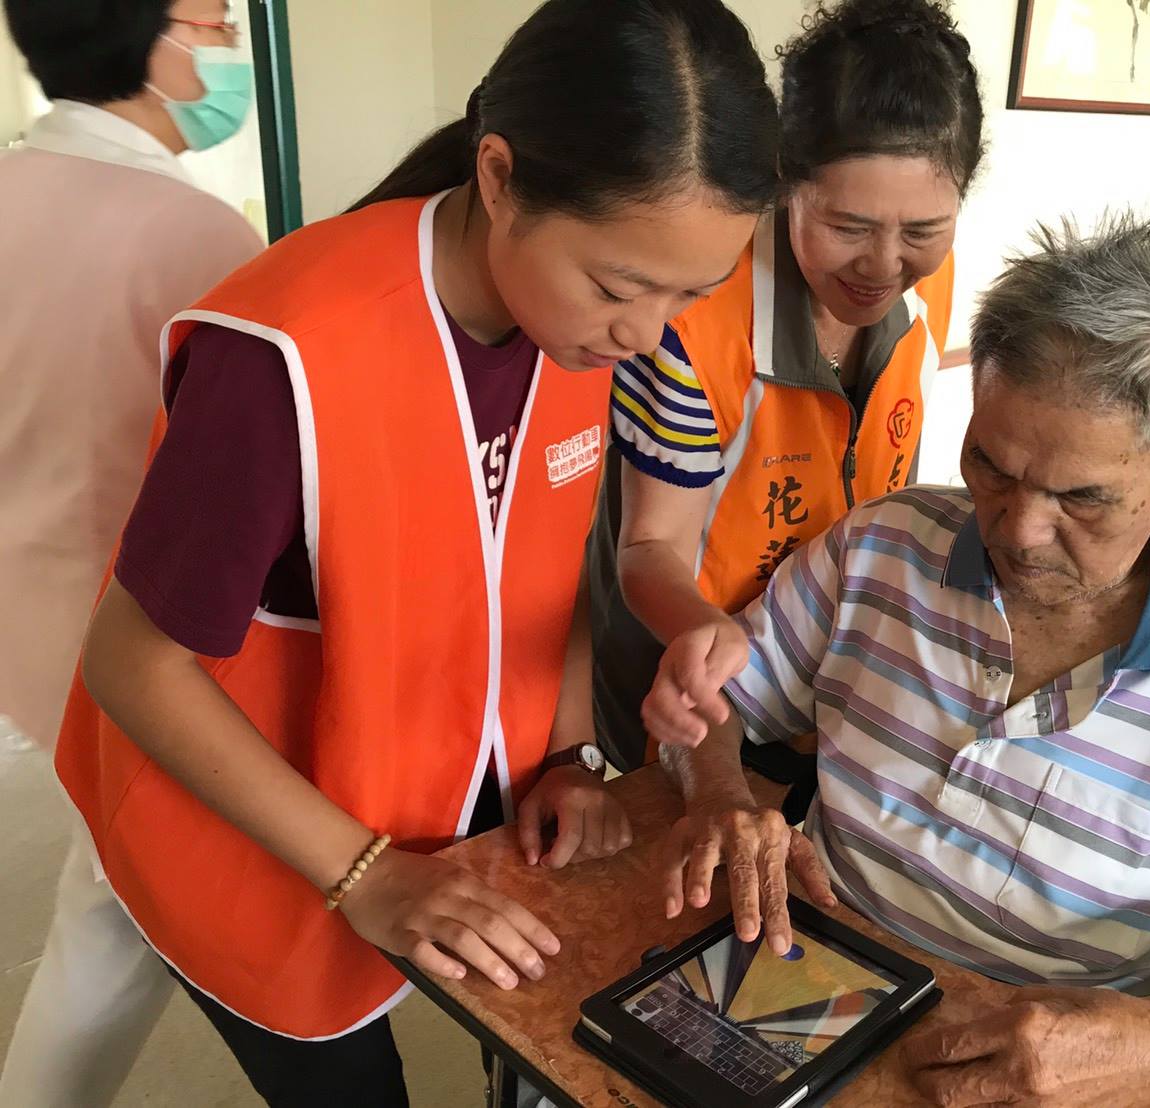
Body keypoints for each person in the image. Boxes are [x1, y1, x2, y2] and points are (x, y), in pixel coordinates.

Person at [41, 0, 778, 1103]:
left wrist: (565, 756)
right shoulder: (286, 352)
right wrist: (364, 875)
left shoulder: (566, 327)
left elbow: (539, 566)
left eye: (692, 292)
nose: (647, 332)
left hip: (431, 828)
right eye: (623, 287)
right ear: (497, 175)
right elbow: (133, 665)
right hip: (259, 841)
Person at [650, 212, 1150, 1106]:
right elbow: (719, 699)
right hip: (805, 994)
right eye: (990, 466)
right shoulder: (879, 550)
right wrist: (721, 792)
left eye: (1082, 497)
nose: (1018, 531)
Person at [587, 0, 984, 771]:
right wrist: (713, 636)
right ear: (784, 184)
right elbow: (646, 549)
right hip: (686, 695)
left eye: (923, 231)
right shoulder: (694, 320)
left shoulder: (926, 292)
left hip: (821, 679)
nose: (883, 265)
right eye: (849, 227)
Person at [0, 2, 264, 1104]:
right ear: (144, 39)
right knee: (125, 911)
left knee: (106, 910)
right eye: (209, 17)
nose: (226, 45)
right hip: (133, 652)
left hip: (21, 621)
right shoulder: (197, 238)